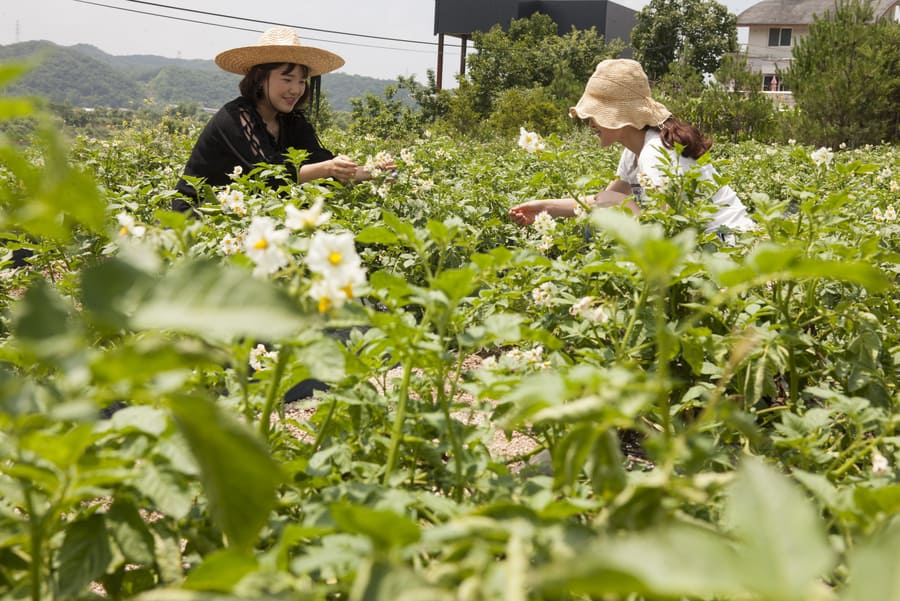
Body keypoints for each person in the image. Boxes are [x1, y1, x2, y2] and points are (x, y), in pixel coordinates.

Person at [509, 59, 755, 234]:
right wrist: (541, 208)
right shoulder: (634, 150)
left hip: (728, 245)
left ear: (619, 116)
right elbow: (598, 201)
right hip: (708, 244)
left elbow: (666, 227)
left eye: (596, 114)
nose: (590, 122)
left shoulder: (654, 153)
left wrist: (618, 203)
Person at [173, 26, 393, 212]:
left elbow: (318, 161)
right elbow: (269, 175)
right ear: (259, 79)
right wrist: (327, 169)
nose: (296, 90)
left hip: (244, 212)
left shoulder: (291, 120)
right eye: (288, 79)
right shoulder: (235, 117)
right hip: (199, 216)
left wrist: (373, 171)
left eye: (301, 81)